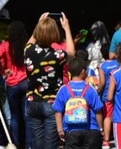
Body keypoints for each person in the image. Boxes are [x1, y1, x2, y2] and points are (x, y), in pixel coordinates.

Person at [25, 12, 74, 149]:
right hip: (51, 103)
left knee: (37, 144)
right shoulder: (57, 55)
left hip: (32, 102)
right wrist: (67, 28)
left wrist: (39, 24)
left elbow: (31, 41)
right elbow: (71, 53)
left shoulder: (28, 51)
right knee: (50, 145)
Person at [53, 56, 105, 149]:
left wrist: (60, 130)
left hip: (71, 131)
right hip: (91, 130)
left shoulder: (64, 89)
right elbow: (98, 111)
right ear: (82, 72)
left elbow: (58, 111)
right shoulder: (90, 89)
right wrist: (101, 129)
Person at [0, 21, 31, 149]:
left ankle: (15, 144)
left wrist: (3, 70)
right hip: (25, 81)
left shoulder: (5, 45)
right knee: (27, 115)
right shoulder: (26, 45)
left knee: (15, 116)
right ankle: (29, 145)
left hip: (12, 84)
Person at [99, 44, 121, 149]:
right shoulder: (118, 63)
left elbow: (102, 83)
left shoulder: (102, 66)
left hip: (107, 95)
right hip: (119, 93)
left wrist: (98, 90)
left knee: (108, 117)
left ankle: (107, 141)